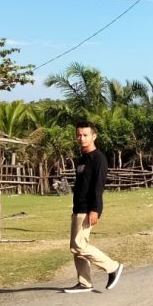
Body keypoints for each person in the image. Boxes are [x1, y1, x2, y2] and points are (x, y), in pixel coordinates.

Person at [64, 120, 124, 293]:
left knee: (79, 245)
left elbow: (98, 186)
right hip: (77, 208)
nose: (81, 139)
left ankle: (113, 267)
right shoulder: (81, 159)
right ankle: (84, 282)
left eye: (85, 135)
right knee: (75, 247)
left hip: (88, 208)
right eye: (79, 135)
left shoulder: (99, 159)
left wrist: (95, 209)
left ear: (94, 136)